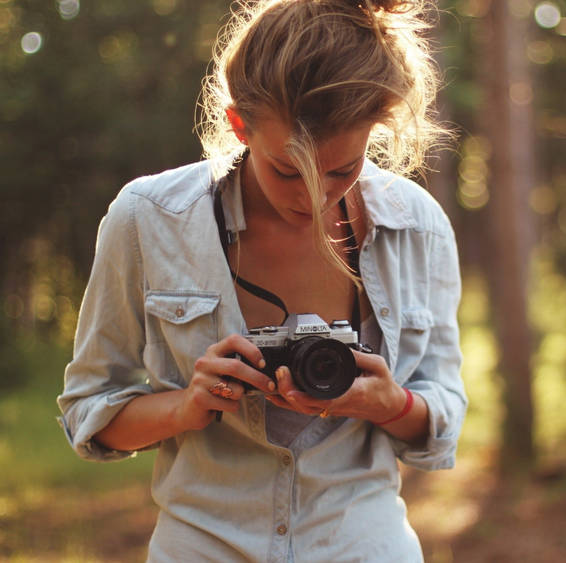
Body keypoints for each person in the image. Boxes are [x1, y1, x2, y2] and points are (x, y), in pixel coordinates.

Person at [57, 0, 466, 560]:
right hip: (203, 544)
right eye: (287, 170)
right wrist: (187, 406)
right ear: (238, 124)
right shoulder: (149, 219)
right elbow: (88, 412)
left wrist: (387, 404)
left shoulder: (417, 227)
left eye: (342, 170)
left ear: (375, 129)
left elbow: (443, 417)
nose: (314, 198)